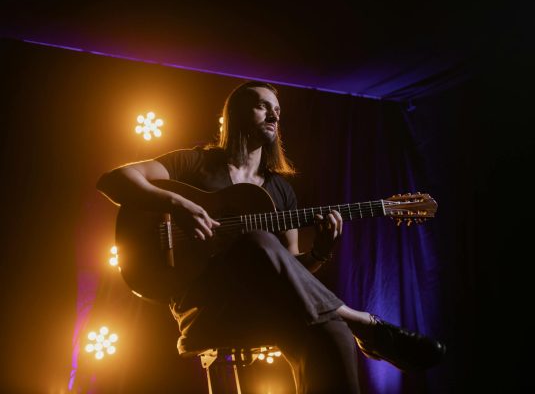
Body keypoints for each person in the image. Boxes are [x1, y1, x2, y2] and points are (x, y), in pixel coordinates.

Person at [97, 81, 446, 393]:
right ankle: (362, 322)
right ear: (235, 113)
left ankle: (349, 324)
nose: (274, 116)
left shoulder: (281, 190)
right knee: (257, 242)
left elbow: (290, 270)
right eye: (263, 105)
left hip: (266, 306)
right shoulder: (195, 163)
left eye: (277, 111)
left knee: (333, 333)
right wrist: (178, 204)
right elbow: (113, 180)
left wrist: (320, 253)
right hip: (204, 303)